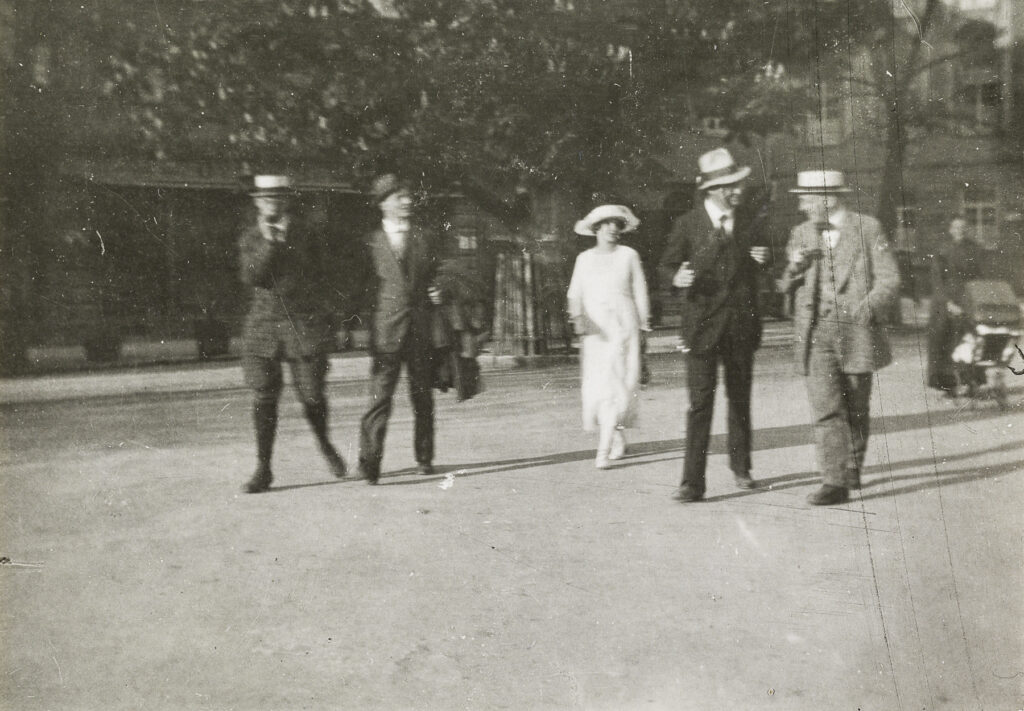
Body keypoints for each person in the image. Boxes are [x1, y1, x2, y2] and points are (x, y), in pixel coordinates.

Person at [778, 169, 900, 506]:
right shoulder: (800, 233)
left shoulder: (869, 228)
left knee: (856, 405)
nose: (802, 206)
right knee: (826, 409)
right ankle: (834, 481)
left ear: (828, 199)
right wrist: (794, 268)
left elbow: (889, 280)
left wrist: (867, 308)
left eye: (807, 199)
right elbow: (784, 286)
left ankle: (852, 466)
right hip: (816, 333)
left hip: (856, 330)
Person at [657, 148, 771, 502]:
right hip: (702, 327)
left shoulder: (750, 220)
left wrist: (766, 259)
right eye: (732, 186)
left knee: (740, 400)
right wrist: (676, 278)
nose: (739, 190)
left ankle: (742, 469)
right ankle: (692, 482)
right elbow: (665, 267)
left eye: (739, 184)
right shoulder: (688, 224)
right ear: (715, 190)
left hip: (740, 326)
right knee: (700, 404)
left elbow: (766, 259)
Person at [238, 174, 347, 493]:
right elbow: (252, 276)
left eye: (279, 198)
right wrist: (270, 243)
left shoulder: (308, 235)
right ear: (257, 202)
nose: (272, 203)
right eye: (266, 198)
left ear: (287, 201)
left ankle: (325, 444)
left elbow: (326, 275)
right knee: (263, 396)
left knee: (313, 396)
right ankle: (264, 469)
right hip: (263, 329)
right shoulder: (249, 238)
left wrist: (330, 319)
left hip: (304, 325)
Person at [357, 174, 444, 484]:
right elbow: (362, 288)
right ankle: (370, 462)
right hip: (386, 330)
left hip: (420, 328)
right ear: (383, 204)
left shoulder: (425, 237)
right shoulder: (370, 242)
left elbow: (440, 271)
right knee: (379, 397)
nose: (407, 202)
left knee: (422, 397)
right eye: (399, 197)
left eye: (408, 197)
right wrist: (366, 325)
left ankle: (424, 458)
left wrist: (440, 288)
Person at [567, 205, 651, 468]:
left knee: (618, 386)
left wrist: (645, 326)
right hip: (595, 331)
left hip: (624, 327)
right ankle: (614, 436)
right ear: (596, 229)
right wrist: (578, 319)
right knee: (601, 386)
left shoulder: (629, 255)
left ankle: (602, 451)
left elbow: (640, 293)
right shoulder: (584, 259)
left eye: (617, 224)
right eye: (606, 224)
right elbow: (574, 294)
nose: (613, 229)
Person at [925, 216, 985, 394]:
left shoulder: (975, 249)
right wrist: (948, 302)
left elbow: (980, 277)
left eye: (963, 227)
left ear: (968, 229)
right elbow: (937, 279)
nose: (960, 230)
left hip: (968, 300)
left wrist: (977, 300)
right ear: (950, 229)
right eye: (956, 227)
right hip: (944, 302)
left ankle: (970, 382)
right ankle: (947, 384)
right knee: (944, 342)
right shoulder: (942, 250)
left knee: (968, 341)